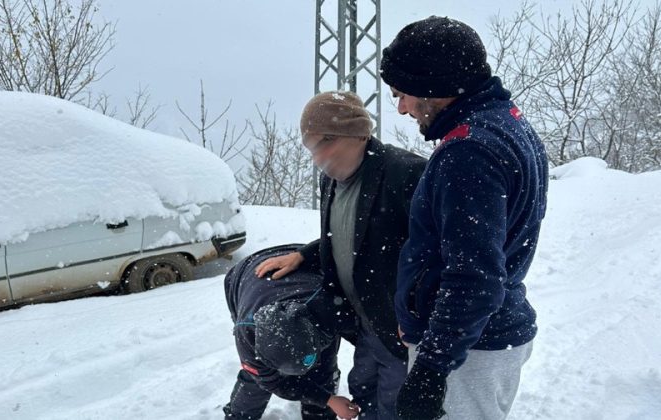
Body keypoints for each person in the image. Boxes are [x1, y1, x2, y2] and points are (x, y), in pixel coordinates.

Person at [380, 16, 549, 420]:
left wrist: (432, 369)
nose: (401, 107)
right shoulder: (508, 123)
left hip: (471, 353)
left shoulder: (467, 153)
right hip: (485, 336)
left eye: (402, 93)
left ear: (434, 86)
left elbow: (475, 277)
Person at [254, 91, 427, 419]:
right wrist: (306, 255)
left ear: (360, 133)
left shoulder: (406, 173)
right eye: (311, 147)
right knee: (362, 387)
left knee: (396, 404)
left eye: (326, 142)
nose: (318, 156)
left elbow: (439, 251)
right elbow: (348, 235)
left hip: (399, 328)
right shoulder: (330, 181)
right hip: (363, 322)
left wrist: (419, 313)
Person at [223, 244, 360, 420]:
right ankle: (239, 416)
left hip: (298, 264)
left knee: (323, 370)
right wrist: (327, 399)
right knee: (258, 379)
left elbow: (369, 341)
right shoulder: (247, 333)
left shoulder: (332, 309)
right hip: (246, 275)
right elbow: (272, 382)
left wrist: (328, 400)